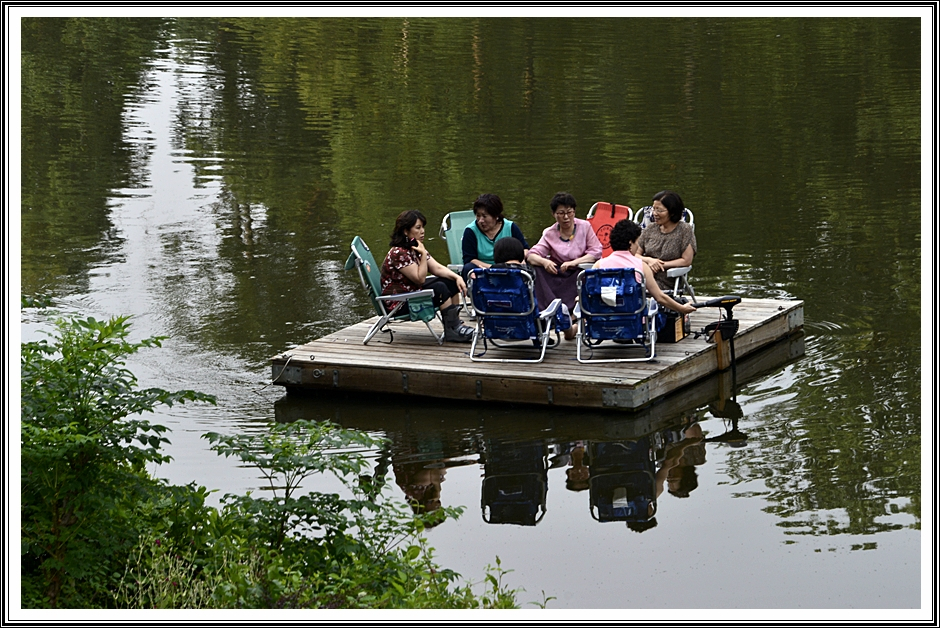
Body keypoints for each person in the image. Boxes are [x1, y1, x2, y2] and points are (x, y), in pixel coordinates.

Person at [381, 210, 474, 343]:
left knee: (450, 282)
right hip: (400, 303)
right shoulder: (399, 252)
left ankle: (455, 324)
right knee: (440, 287)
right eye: (418, 228)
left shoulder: (415, 247)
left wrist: (457, 277)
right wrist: (423, 255)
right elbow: (420, 279)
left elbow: (436, 268)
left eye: (422, 227)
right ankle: (452, 330)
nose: (423, 231)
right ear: (406, 231)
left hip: (413, 293)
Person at [526, 192, 603, 340]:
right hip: (558, 272)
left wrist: (574, 262)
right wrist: (545, 261)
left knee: (588, 272)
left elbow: (596, 251)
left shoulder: (585, 227)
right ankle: (550, 308)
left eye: (569, 212)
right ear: (554, 214)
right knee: (537, 269)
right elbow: (532, 254)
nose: (566, 217)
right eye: (561, 213)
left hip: (578, 270)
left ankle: (573, 314)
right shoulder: (549, 233)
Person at [594, 219, 696, 316]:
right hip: (633, 322)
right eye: (637, 243)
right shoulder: (641, 267)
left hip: (604, 321)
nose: (638, 247)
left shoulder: (599, 265)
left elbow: (588, 293)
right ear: (630, 243)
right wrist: (682, 308)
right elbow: (660, 298)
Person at [636, 190, 697, 292]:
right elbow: (635, 254)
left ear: (672, 212)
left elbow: (686, 260)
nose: (654, 214)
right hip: (644, 274)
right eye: (653, 209)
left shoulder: (684, 230)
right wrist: (650, 261)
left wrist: (660, 265)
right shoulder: (650, 228)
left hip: (667, 278)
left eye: (659, 210)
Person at [461, 193, 529, 280]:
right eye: (478, 216)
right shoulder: (470, 231)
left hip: (510, 269)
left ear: (496, 216)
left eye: (485, 216)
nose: (481, 220)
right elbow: (469, 259)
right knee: (468, 268)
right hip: (483, 269)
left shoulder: (510, 227)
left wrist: (520, 261)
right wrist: (493, 268)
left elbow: (525, 249)